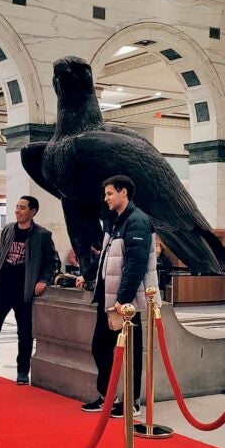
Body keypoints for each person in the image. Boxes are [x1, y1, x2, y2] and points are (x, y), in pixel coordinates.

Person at [76, 175, 158, 416]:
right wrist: (88, 274)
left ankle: (132, 401)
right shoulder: (114, 220)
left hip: (125, 302)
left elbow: (136, 265)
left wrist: (123, 300)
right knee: (100, 347)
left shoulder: (138, 221)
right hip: (108, 296)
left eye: (110, 193)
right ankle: (107, 395)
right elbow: (106, 255)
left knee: (130, 351)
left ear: (124, 193)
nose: (106, 198)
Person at [0, 196, 57, 385]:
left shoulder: (42, 235)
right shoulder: (8, 229)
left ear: (33, 211)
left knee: (25, 333)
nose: (17, 211)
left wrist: (44, 279)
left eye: (22, 208)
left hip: (25, 291)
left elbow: (52, 261)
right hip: (1, 288)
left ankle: (22, 372)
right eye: (16, 207)